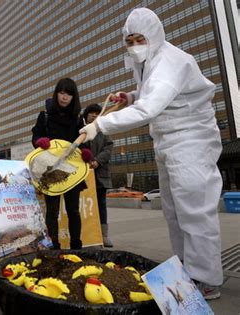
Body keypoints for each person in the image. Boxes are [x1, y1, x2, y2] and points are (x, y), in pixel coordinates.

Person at [79, 8, 223, 299]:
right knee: (173, 210)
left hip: (190, 139)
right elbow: (147, 94)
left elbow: (150, 108)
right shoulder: (148, 61)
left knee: (194, 210)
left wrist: (99, 124)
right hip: (168, 140)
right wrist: (129, 96)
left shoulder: (170, 62)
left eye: (139, 38)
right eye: (129, 40)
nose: (134, 45)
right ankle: (186, 267)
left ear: (154, 35)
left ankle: (205, 278)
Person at [32, 78, 91, 250]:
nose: (64, 97)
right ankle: (53, 247)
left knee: (73, 210)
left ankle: (76, 246)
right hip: (51, 169)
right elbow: (35, 136)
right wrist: (40, 141)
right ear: (57, 93)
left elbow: (83, 141)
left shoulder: (78, 119)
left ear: (74, 97)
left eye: (69, 94)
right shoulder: (45, 116)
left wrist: (87, 152)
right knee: (52, 211)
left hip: (72, 170)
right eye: (62, 93)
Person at [82, 104, 114, 247]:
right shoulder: (82, 132)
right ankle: (88, 234)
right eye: (91, 113)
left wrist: (97, 161)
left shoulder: (104, 131)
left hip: (100, 174)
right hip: (84, 174)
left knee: (101, 205)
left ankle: (104, 234)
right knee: (86, 205)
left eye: (97, 113)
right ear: (86, 115)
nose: (94, 116)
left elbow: (108, 148)